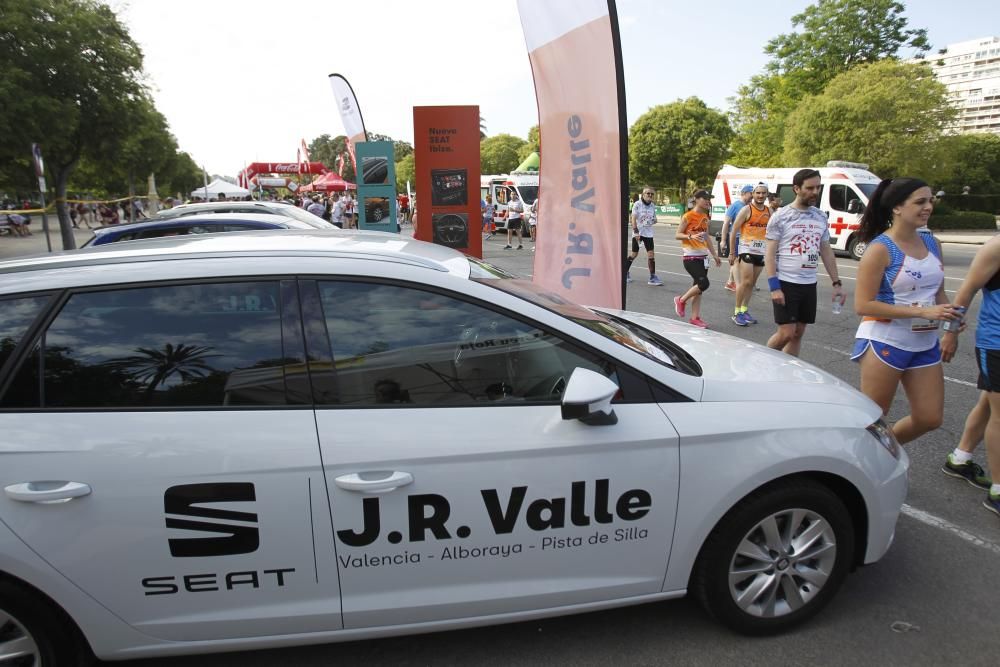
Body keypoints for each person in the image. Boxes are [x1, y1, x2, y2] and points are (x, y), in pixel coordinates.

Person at [851, 177, 959, 445]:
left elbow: (939, 292)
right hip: (885, 340)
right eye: (920, 202)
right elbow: (863, 305)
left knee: (929, 418)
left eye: (930, 200)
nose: (928, 207)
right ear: (897, 208)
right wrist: (923, 313)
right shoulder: (880, 249)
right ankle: (861, 468)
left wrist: (951, 321)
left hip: (924, 343)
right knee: (873, 419)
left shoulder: (933, 244)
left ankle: (885, 451)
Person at [940, 235, 1000, 516]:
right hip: (996, 343)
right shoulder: (996, 248)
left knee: (988, 402)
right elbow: (965, 292)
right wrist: (950, 334)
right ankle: (998, 491)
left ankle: (960, 458)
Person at [764, 169, 845, 357]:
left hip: (809, 284)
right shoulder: (781, 216)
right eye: (809, 188)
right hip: (786, 282)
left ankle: (789, 374)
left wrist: (837, 283)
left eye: (818, 187)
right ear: (796, 189)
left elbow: (826, 250)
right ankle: (764, 361)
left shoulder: (820, 217)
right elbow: (769, 254)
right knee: (786, 333)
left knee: (798, 333)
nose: (815, 192)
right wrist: (774, 286)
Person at [673, 190, 721, 328]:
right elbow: (677, 234)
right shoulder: (688, 216)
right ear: (696, 199)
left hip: (703, 257)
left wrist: (715, 254)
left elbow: (706, 237)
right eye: (705, 198)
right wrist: (690, 236)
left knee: (698, 289)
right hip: (690, 257)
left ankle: (695, 318)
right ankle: (681, 300)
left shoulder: (705, 217)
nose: (708, 201)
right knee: (704, 284)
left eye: (709, 199)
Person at [729, 182, 770, 326]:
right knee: (745, 281)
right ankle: (736, 312)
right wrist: (732, 252)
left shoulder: (769, 212)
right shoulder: (747, 210)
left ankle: (744, 310)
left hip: (761, 251)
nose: (760, 195)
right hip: (746, 249)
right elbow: (733, 230)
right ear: (753, 194)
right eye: (758, 193)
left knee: (752, 283)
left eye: (763, 193)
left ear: (767, 195)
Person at [625, 187, 662, 285]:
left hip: (649, 233)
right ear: (643, 194)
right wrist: (636, 232)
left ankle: (652, 277)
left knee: (651, 254)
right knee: (634, 254)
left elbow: (655, 219)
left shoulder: (652, 206)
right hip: (639, 233)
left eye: (651, 194)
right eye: (648, 193)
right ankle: (624, 272)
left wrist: (653, 221)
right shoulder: (637, 204)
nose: (650, 195)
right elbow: (633, 219)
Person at [721, 184, 753, 292]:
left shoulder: (748, 207)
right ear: (744, 193)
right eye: (750, 194)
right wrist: (723, 240)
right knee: (737, 262)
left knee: (739, 262)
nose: (752, 196)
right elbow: (726, 224)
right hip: (737, 238)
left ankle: (731, 282)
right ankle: (733, 283)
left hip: (745, 239)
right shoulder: (735, 206)